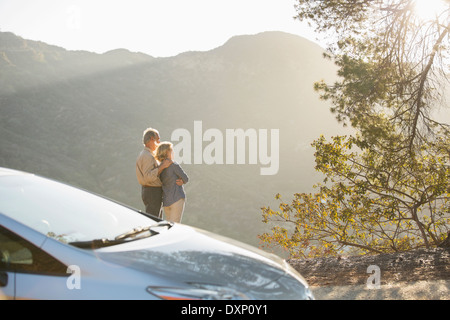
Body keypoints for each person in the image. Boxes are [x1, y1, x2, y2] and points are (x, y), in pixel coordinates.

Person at [135, 128, 172, 218]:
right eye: (158, 139)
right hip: (152, 192)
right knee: (153, 220)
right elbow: (148, 177)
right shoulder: (147, 156)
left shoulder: (146, 154)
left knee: (156, 219)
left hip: (151, 191)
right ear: (152, 139)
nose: (159, 142)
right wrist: (162, 166)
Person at [155, 141, 189, 223]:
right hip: (176, 198)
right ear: (167, 152)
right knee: (175, 226)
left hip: (166, 201)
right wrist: (182, 181)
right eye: (171, 150)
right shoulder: (174, 165)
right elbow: (186, 178)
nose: (173, 152)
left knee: (168, 225)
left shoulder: (159, 167)